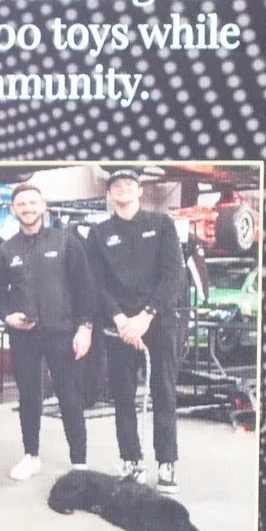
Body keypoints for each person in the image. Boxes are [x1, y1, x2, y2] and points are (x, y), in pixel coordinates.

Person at [78, 167, 184, 492]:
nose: (122, 188)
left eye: (129, 183)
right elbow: (95, 282)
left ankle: (166, 463)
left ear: (140, 190)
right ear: (109, 194)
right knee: (123, 396)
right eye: (116, 185)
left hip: (159, 321)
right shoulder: (99, 233)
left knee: (163, 392)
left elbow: (173, 275)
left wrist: (147, 315)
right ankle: (132, 461)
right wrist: (120, 318)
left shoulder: (162, 224)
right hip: (120, 327)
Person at [0, 182, 94, 478]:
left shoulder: (66, 241)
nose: (27, 208)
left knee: (69, 396)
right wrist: (7, 316)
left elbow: (84, 288)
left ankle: (79, 462)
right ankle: (31, 455)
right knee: (28, 397)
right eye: (21, 204)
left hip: (62, 332)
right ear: (13, 210)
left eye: (32, 203)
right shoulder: (6, 249)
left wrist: (85, 328)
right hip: (24, 336)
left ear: (43, 207)